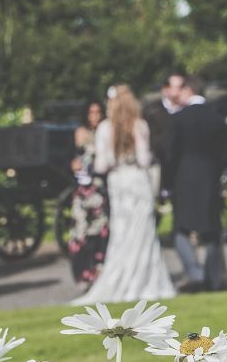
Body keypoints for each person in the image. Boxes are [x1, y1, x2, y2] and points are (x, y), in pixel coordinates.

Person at [73, 85, 174, 304]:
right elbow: (145, 160)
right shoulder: (139, 126)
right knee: (143, 234)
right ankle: (145, 279)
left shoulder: (105, 129)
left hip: (119, 182)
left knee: (122, 235)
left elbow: (102, 164)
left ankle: (124, 277)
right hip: (138, 181)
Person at [164, 75, 227, 292]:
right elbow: (224, 155)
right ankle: (214, 277)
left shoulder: (179, 119)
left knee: (181, 229)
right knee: (211, 230)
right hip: (210, 178)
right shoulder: (217, 119)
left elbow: (171, 154)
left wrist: (166, 182)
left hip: (184, 180)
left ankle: (195, 273)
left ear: (189, 91)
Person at [67, 100, 109, 291]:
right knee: (80, 232)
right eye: (91, 112)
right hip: (83, 190)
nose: (95, 116)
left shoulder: (105, 131)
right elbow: (73, 158)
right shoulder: (81, 133)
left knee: (100, 232)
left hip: (99, 189)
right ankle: (83, 272)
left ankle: (99, 271)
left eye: (98, 112)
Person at [144, 71, 185, 199]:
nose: (180, 91)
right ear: (166, 89)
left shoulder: (187, 112)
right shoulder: (154, 112)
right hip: (160, 168)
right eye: (177, 87)